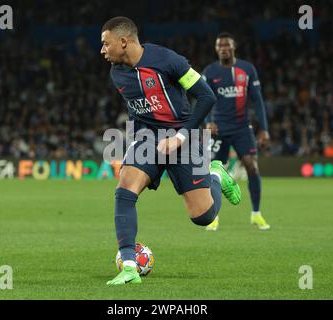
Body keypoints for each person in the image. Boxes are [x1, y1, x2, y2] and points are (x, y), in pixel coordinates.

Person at [100, 17, 241, 285]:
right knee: (124, 189)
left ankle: (216, 175)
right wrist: (132, 144)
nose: (102, 50)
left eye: (106, 44)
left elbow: (207, 96)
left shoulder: (168, 60)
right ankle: (129, 265)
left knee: (203, 217)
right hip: (148, 139)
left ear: (123, 41)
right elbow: (138, 109)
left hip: (184, 136)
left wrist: (180, 135)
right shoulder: (117, 73)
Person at [203, 32, 270, 231]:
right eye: (219, 46)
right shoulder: (210, 71)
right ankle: (212, 215)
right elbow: (203, 98)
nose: (223, 48)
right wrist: (207, 122)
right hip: (219, 129)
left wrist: (264, 129)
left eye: (226, 45)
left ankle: (256, 214)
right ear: (216, 49)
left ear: (234, 47)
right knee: (213, 171)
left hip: (242, 128)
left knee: (252, 167)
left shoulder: (247, 69)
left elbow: (257, 100)